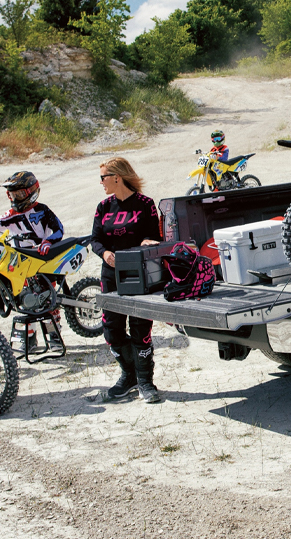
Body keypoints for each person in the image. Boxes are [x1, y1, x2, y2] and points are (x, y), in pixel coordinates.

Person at [0, 171, 67, 354]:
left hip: (42, 260)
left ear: (32, 192)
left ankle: (54, 336)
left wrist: (47, 242)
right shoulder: (11, 213)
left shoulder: (42, 210)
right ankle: (29, 339)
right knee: (23, 299)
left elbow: (58, 228)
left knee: (47, 299)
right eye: (13, 194)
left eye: (20, 194)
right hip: (20, 262)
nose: (16, 198)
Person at [90, 157, 163, 403]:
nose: (101, 182)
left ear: (117, 177)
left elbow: (156, 235)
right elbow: (95, 240)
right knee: (112, 332)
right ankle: (128, 376)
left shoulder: (145, 204)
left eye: (103, 177)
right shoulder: (103, 207)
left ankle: (146, 382)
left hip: (139, 274)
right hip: (110, 275)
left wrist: (146, 242)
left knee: (141, 329)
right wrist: (104, 252)